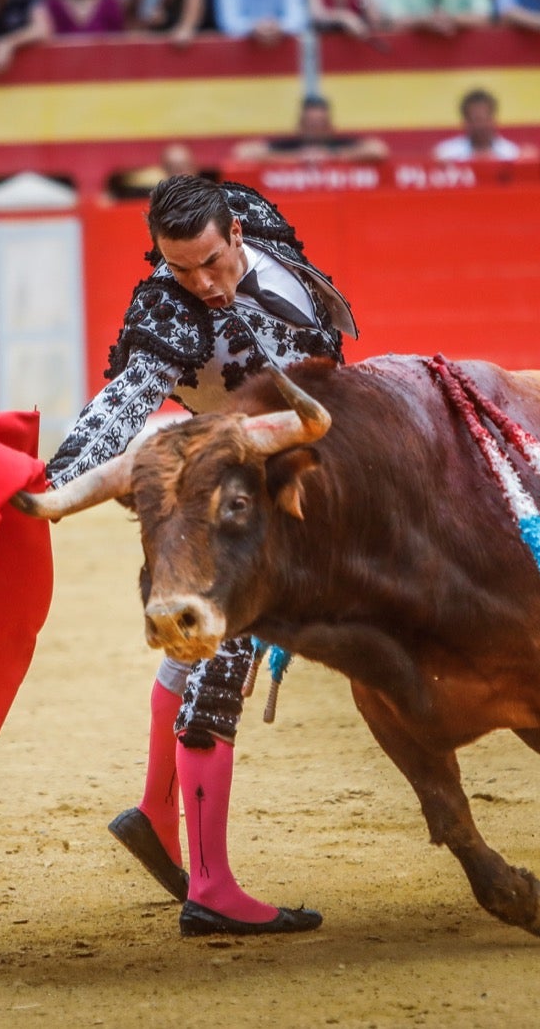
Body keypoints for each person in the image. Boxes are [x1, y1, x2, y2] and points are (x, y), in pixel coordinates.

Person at [48, 174, 358, 937]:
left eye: (210, 264)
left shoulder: (256, 219)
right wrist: (54, 480)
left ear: (237, 235)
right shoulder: (168, 303)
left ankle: (157, 812)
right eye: (178, 267)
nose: (200, 284)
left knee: (196, 653)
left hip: (311, 468)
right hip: (232, 500)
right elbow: (124, 400)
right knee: (217, 655)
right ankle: (212, 885)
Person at [231, 94, 391, 163]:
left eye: (320, 124)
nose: (315, 129)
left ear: (329, 126)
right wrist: (298, 158)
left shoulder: (338, 144)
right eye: (310, 124)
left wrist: (330, 156)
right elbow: (243, 152)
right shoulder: (290, 145)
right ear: (300, 125)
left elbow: (378, 150)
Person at [433, 88, 540, 161]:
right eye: (475, 119)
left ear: (493, 119)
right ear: (465, 121)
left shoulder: (512, 155)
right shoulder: (446, 155)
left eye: (485, 119)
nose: (481, 125)